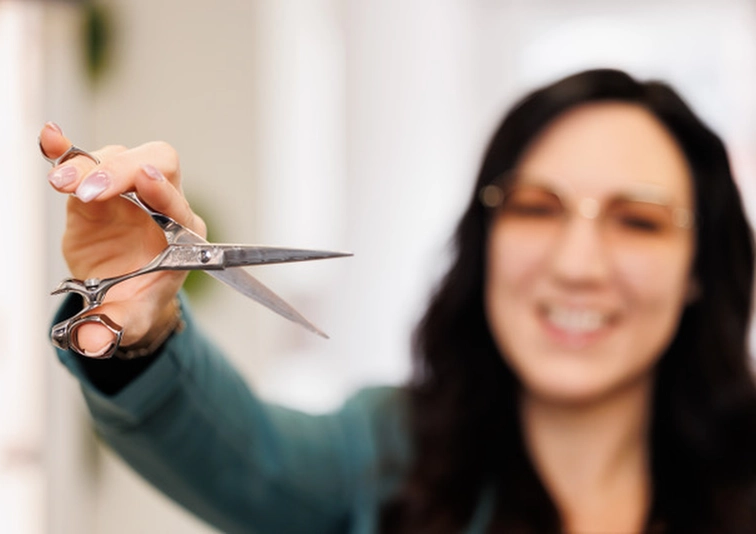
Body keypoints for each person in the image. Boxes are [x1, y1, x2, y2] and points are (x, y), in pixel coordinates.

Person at [41, 68, 756, 533]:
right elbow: (221, 442)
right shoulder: (381, 458)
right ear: (487, 240)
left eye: (638, 220)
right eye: (538, 208)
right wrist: (133, 325)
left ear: (700, 266)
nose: (577, 265)